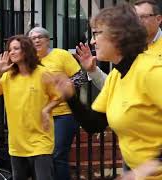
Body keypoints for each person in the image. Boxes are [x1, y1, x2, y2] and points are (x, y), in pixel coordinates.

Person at [55, 3, 162, 179]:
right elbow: (94, 124)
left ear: (119, 36)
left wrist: (150, 165)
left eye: (97, 33)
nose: (92, 41)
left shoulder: (151, 71)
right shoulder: (115, 76)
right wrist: (70, 96)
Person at [0, 35, 60, 180]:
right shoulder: (7, 77)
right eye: (10, 49)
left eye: (16, 48)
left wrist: (46, 109)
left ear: (26, 50)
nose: (11, 52)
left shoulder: (42, 73)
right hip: (17, 144)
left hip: (40, 141)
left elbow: (58, 96)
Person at [28, 27, 87, 180]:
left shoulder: (60, 55)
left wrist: (64, 87)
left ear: (48, 40)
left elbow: (80, 78)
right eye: (33, 38)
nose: (37, 40)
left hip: (63, 114)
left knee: (58, 155)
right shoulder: (29, 62)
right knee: (42, 156)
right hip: (39, 116)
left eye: (40, 37)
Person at [76, 0, 162, 90]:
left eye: (143, 17)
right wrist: (93, 71)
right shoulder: (119, 70)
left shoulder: (152, 71)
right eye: (135, 19)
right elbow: (114, 89)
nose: (138, 23)